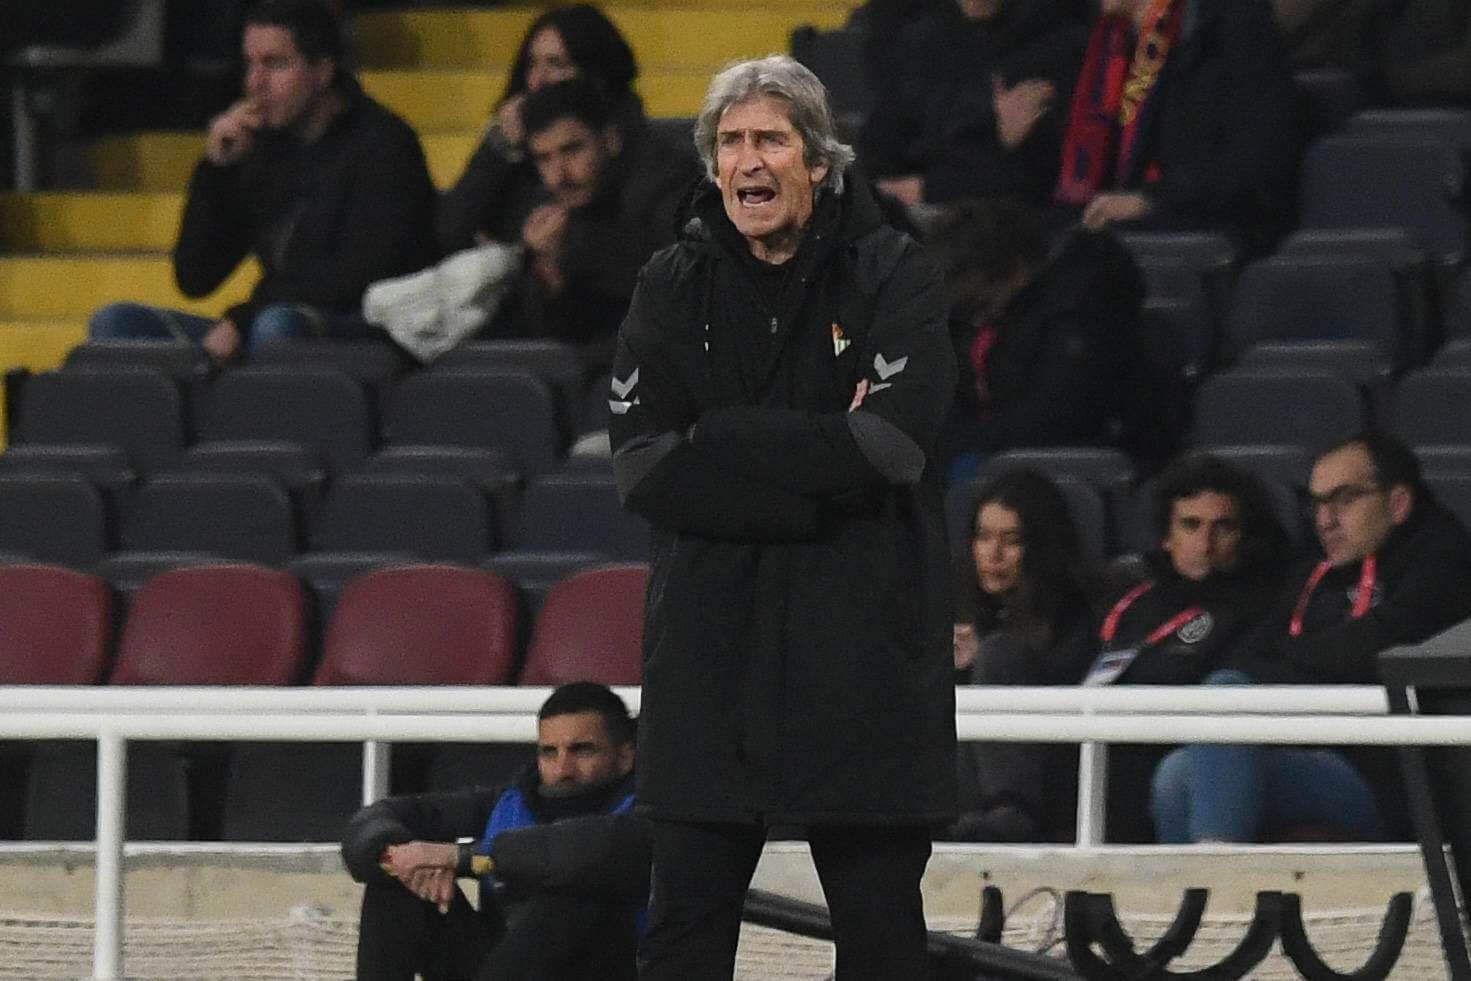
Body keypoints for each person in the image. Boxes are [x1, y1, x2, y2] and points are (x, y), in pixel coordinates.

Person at [609, 55, 957, 979]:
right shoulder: (669, 284)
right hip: (707, 661)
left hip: (863, 656)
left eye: (770, 138)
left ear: (818, 161)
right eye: (729, 141)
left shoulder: (893, 272)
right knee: (683, 931)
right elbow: (645, 467)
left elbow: (889, 448)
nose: (746, 159)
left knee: (881, 933)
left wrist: (715, 431)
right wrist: (813, 492)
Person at [1151, 434, 1471, 843]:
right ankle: (1200, 898)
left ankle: (1209, 891)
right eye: (1318, 502)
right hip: (1314, 750)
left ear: (1398, 503)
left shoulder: (1443, 558)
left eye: (1345, 499)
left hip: (1401, 776)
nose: (1326, 519)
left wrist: (1292, 660)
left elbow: (1373, 650)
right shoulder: (1312, 571)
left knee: (1224, 701)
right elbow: (1244, 657)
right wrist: (1314, 662)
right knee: (1176, 773)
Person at [86, 0, 437, 361]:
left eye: (275, 64)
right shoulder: (261, 146)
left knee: (276, 326)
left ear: (322, 71)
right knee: (116, 324)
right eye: (250, 64)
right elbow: (195, 278)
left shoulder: (384, 143)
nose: (256, 83)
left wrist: (243, 319)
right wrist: (217, 171)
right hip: (265, 322)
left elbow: (356, 276)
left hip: (361, 330)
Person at [341, 682, 649, 981]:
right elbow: (373, 821)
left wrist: (460, 858)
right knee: (393, 886)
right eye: (549, 752)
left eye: (582, 750)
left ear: (625, 757)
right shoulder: (509, 801)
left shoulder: (653, 816)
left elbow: (580, 854)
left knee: (569, 898)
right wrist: (397, 856)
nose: (562, 769)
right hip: (497, 965)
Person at [1081, 454, 1290, 842]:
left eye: (1222, 527)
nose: (1205, 543)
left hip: (1179, 764)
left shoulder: (1264, 604)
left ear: (1244, 535)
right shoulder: (1132, 600)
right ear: (1166, 535)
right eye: (1191, 525)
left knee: (1176, 775)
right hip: (1100, 760)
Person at [927, 198, 1163, 481]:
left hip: (1067, 462)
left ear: (1015, 272)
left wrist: (958, 442)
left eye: (981, 303)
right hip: (990, 446)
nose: (977, 319)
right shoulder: (975, 312)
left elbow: (1049, 421)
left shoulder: (1080, 314)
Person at [437, 4, 695, 255]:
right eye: (532, 64)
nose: (538, 81)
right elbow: (450, 232)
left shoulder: (650, 160)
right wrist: (499, 146)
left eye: (556, 64)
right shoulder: (514, 144)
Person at [1052, 0, 1300, 255]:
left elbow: (1253, 156)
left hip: (1213, 224)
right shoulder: (1103, 44)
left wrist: (1151, 200)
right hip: (1123, 220)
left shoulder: (1231, 27)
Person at [486, 78, 699, 371]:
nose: (559, 174)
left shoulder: (666, 184)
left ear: (610, 140)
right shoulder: (551, 204)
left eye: (572, 149)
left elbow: (677, 299)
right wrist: (549, 273)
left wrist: (572, 258)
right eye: (544, 158)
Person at [948, 468, 1095, 843]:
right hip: (961, 799)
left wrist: (986, 660)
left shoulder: (1079, 612)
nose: (993, 554)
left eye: (1011, 540)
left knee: (999, 654)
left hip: (1052, 780)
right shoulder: (952, 606)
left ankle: (1012, 811)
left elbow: (1073, 684)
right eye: (983, 537)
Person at [859, 0, 1089, 210]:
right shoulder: (923, 36)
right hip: (908, 202)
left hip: (995, 213)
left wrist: (929, 189)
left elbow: (1040, 174)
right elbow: (885, 131)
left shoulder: (1054, 44)